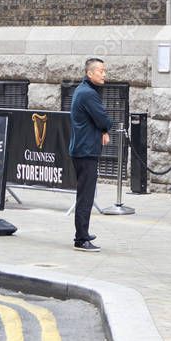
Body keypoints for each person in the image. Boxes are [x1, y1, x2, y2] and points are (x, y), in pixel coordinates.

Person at [68, 57, 113, 252]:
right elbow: (103, 119)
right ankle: (81, 238)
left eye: (104, 71)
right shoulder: (88, 94)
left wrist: (102, 130)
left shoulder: (83, 90)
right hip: (85, 151)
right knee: (85, 196)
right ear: (90, 73)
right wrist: (105, 128)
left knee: (85, 194)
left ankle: (83, 232)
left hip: (82, 149)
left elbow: (96, 121)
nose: (104, 74)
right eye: (101, 71)